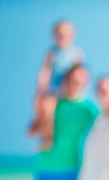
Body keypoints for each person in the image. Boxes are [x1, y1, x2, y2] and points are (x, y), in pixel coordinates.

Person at [29, 20, 84, 149]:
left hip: (67, 88)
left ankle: (48, 137)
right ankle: (38, 123)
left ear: (72, 35)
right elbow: (45, 72)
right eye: (59, 34)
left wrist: (79, 91)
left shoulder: (76, 53)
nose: (62, 37)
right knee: (38, 101)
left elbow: (81, 73)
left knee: (49, 106)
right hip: (53, 89)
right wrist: (40, 89)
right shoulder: (51, 53)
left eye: (65, 34)